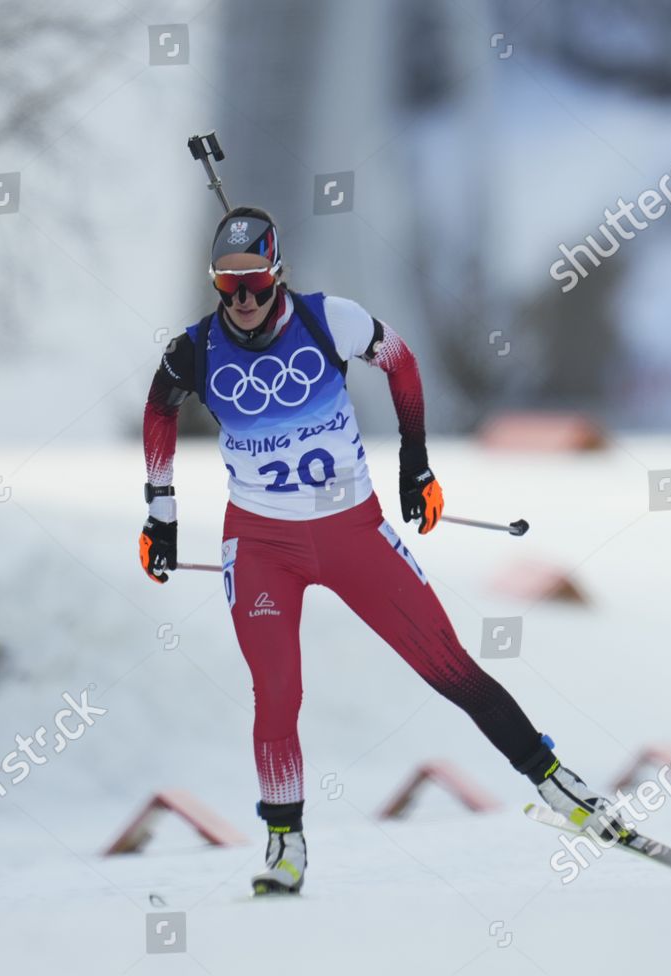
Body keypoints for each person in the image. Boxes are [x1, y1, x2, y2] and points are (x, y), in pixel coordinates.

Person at [139, 206, 620, 895]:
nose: (242, 301)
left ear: (278, 276)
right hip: (262, 544)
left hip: (352, 533)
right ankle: (284, 845)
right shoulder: (194, 349)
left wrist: (415, 465)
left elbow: (400, 360)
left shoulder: (326, 319)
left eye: (255, 284)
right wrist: (161, 516)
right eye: (227, 285)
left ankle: (557, 785)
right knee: (276, 692)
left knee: (447, 666)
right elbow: (158, 409)